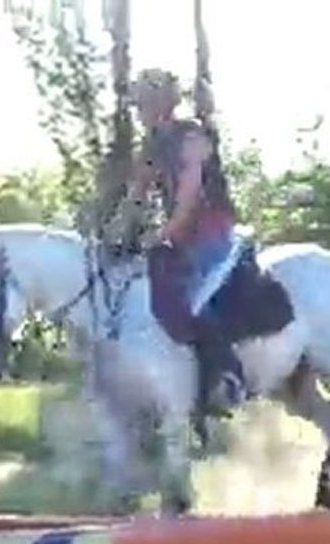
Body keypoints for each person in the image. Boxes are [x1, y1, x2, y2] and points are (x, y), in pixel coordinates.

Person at [125, 67, 246, 415]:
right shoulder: (150, 146)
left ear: (163, 104)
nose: (139, 112)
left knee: (194, 300)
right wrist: (114, 232)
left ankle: (228, 378)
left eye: (143, 104)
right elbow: (135, 195)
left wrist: (160, 234)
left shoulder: (191, 138)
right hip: (180, 236)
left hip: (211, 231)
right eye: (138, 105)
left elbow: (188, 199)